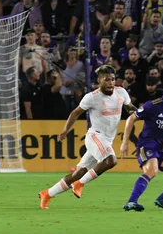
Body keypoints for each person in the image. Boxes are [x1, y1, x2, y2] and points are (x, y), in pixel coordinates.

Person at [39, 65, 137, 209]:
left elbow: (130, 109)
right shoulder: (92, 97)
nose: (111, 82)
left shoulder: (121, 93)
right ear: (99, 80)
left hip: (106, 140)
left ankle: (47, 193)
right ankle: (79, 184)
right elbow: (75, 113)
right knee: (110, 160)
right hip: (95, 136)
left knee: (78, 173)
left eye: (113, 79)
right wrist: (65, 130)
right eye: (107, 80)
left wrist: (146, 113)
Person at [120, 78, 163, 211]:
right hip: (146, 145)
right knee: (152, 170)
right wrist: (125, 142)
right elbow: (131, 118)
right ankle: (131, 202)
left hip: (162, 149)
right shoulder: (153, 105)